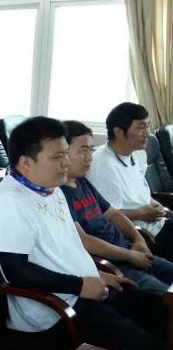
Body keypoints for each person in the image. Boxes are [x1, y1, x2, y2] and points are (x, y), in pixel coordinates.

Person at [0, 116, 167, 350]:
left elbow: (67, 248)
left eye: (65, 154)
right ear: (26, 162)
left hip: (83, 287)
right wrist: (81, 285)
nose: (66, 162)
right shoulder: (8, 203)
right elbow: (16, 272)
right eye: (57, 157)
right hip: (53, 309)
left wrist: (97, 274)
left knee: (161, 312)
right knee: (145, 349)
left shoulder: (52, 189)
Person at [61, 120, 173, 293]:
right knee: (167, 296)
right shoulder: (58, 194)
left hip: (129, 251)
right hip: (112, 267)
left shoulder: (82, 182)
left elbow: (113, 214)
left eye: (90, 149)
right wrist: (129, 256)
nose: (89, 157)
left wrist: (138, 240)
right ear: (62, 153)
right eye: (83, 150)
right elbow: (84, 241)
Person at [87, 102, 173, 261]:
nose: (148, 134)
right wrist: (142, 214)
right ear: (118, 132)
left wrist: (156, 204)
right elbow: (105, 215)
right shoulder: (101, 165)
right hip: (142, 236)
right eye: (141, 127)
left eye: (148, 126)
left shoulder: (138, 154)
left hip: (157, 222)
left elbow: (139, 192)